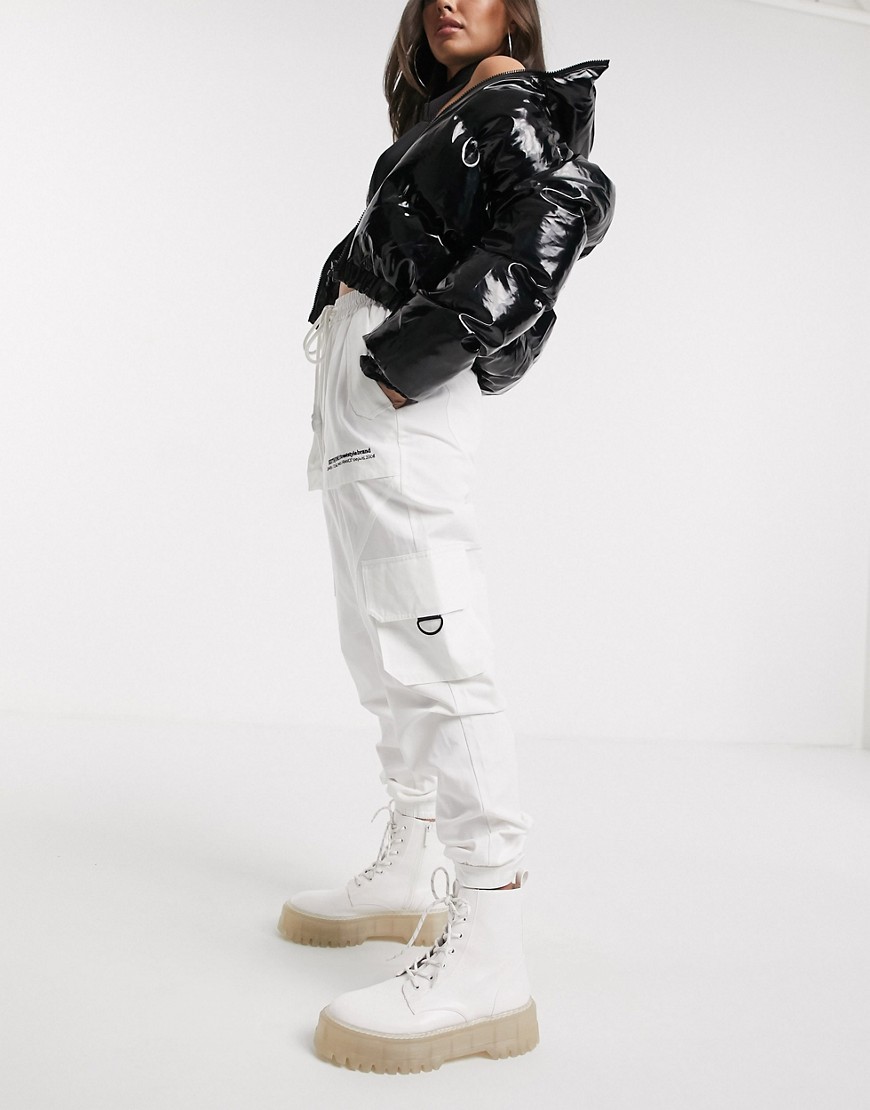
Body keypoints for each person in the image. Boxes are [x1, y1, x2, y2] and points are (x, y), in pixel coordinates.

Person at [281, 0, 615, 1073]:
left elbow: (557, 218)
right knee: (377, 644)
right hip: (362, 404)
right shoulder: (450, 116)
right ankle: (408, 861)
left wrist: (403, 362)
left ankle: (490, 950)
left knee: (437, 655)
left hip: (400, 401)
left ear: (518, 10)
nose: (445, 5)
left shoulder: (513, 104)